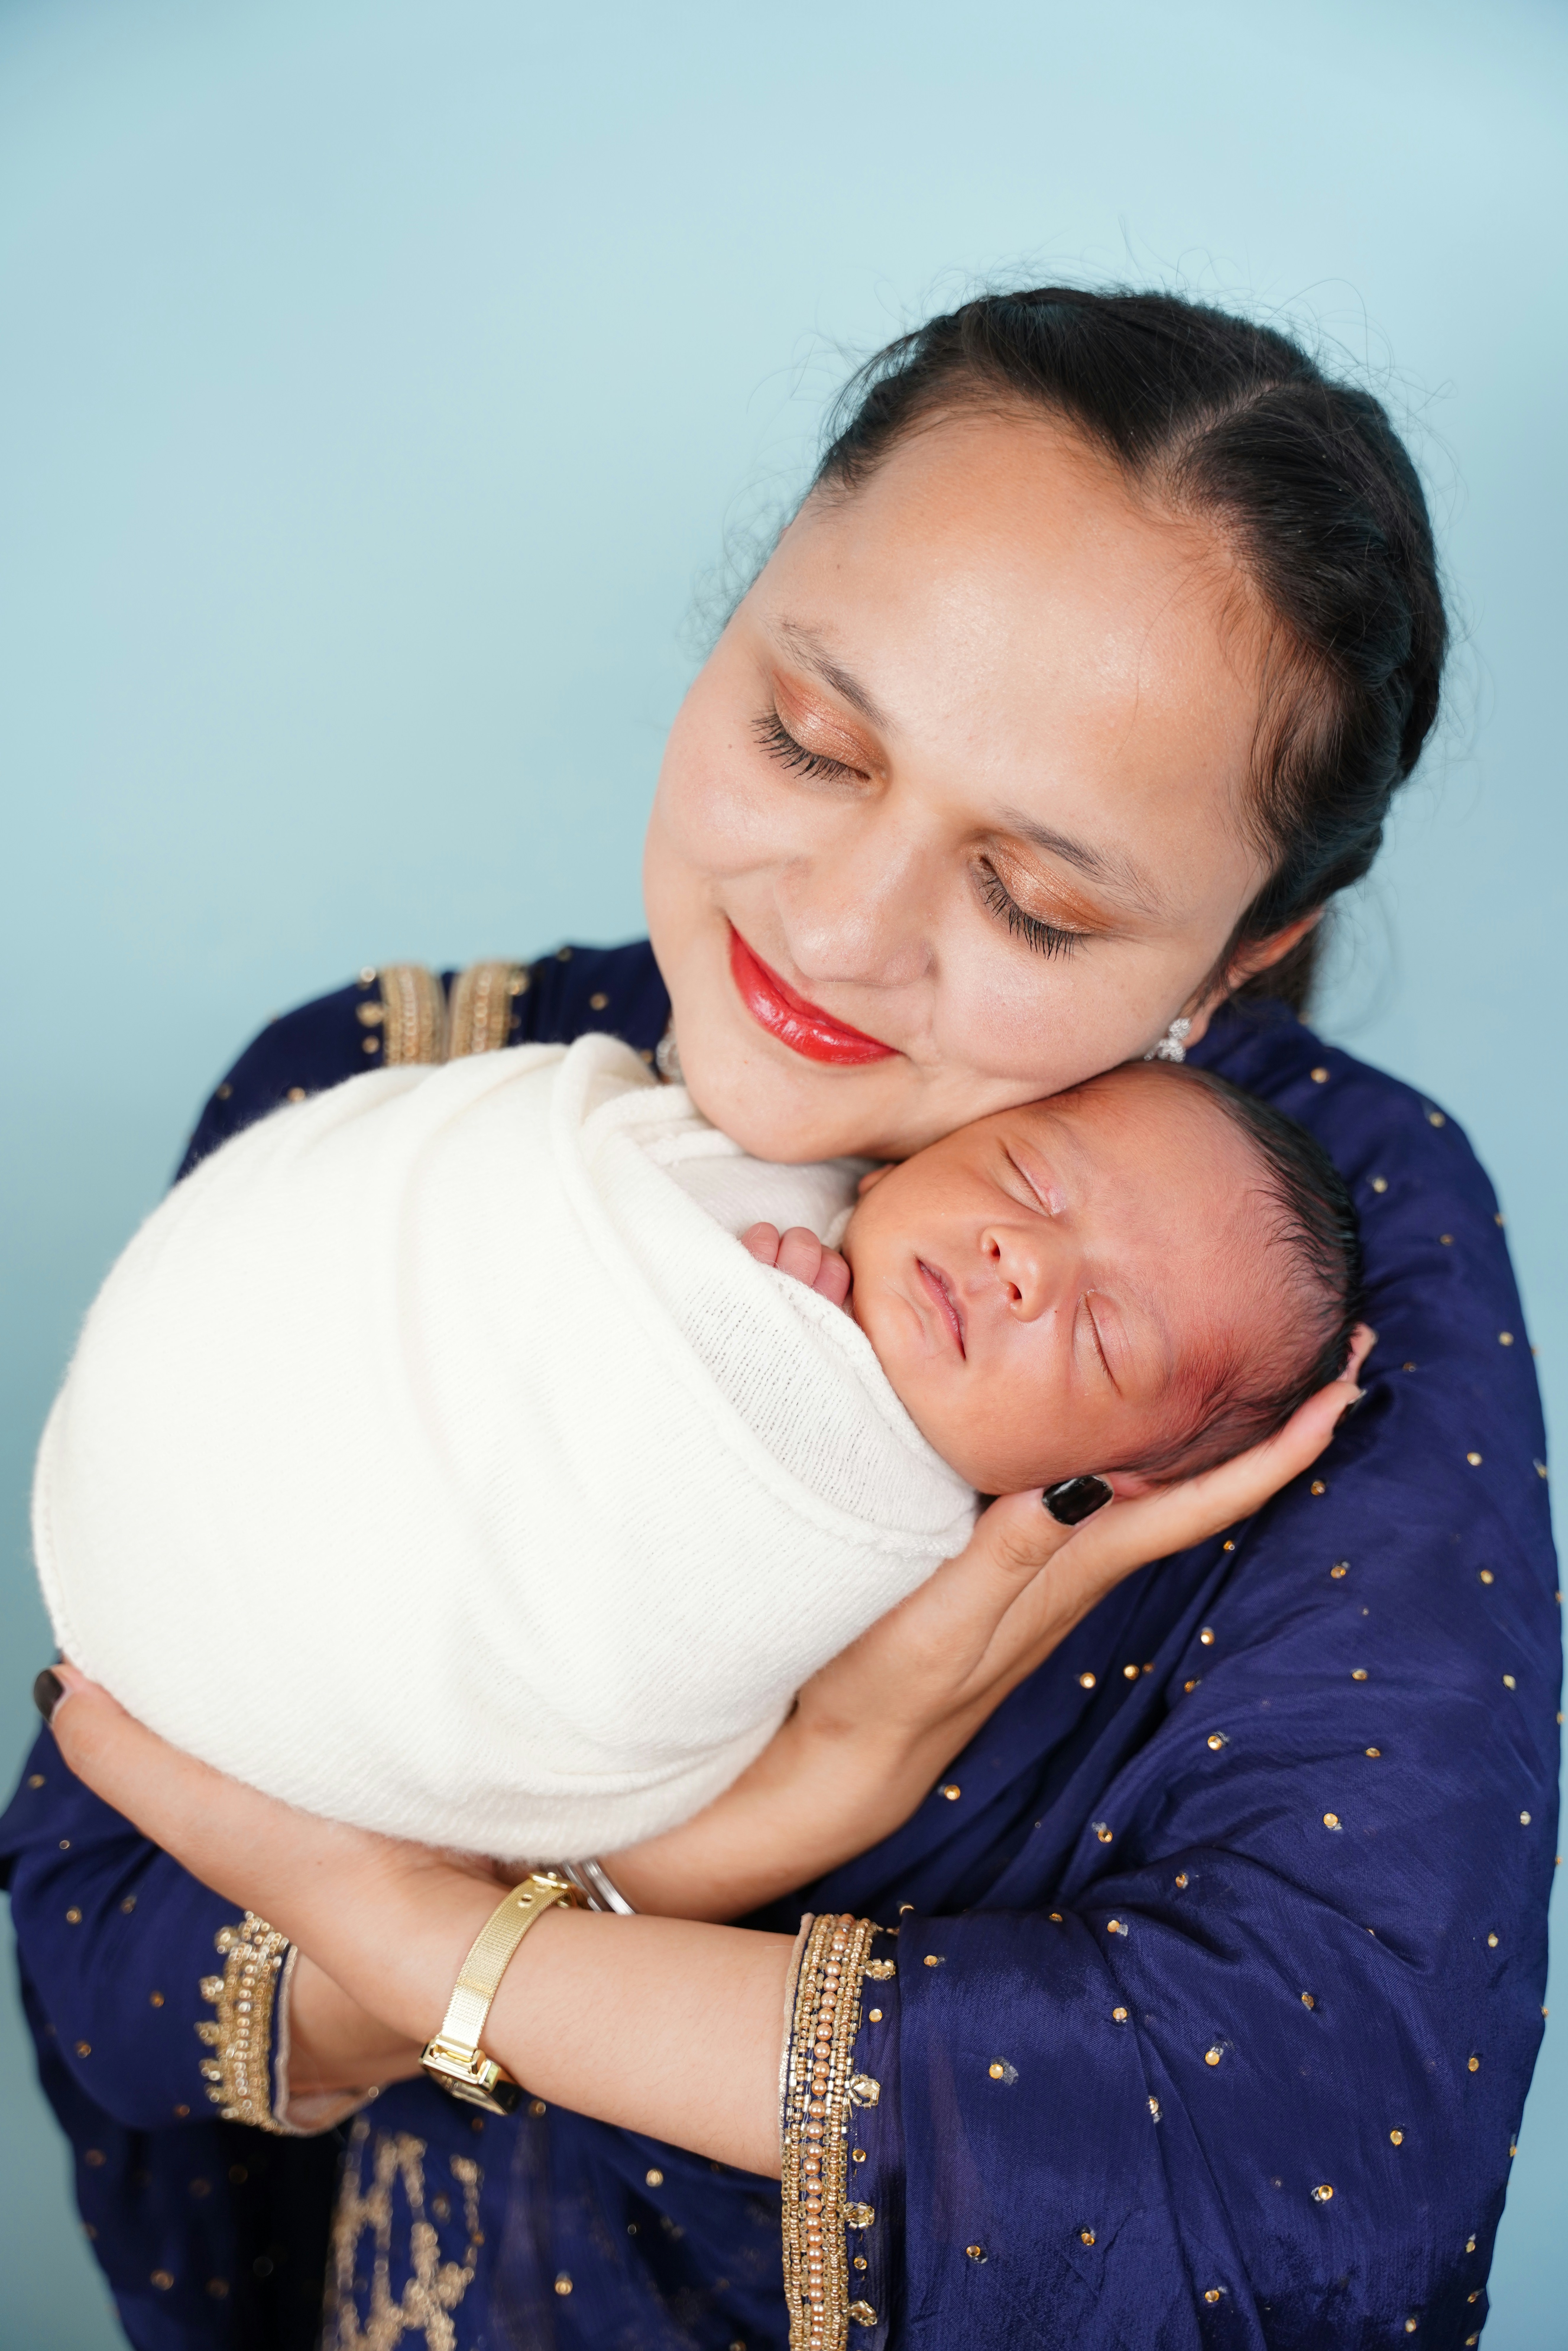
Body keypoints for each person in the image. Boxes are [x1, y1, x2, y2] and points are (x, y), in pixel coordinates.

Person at [2, 287, 1555, 2351]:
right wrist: (759, 1821)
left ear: (1235, 955)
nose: (832, 925)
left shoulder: (1306, 1285)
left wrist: (426, 1937)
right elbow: (106, 1940)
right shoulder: (382, 1096)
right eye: (808, 737)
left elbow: (1294, 2153)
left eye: (1040, 903)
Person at [35, 1037, 1362, 1863]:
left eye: (1104, 1338)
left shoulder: (903, 1544)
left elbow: (643, 1615)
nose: (1025, 1264)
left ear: (1113, 1477)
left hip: (336, 1670)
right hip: (217, 1443)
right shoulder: (769, 1144)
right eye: (1029, 1176)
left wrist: (767, 1369)